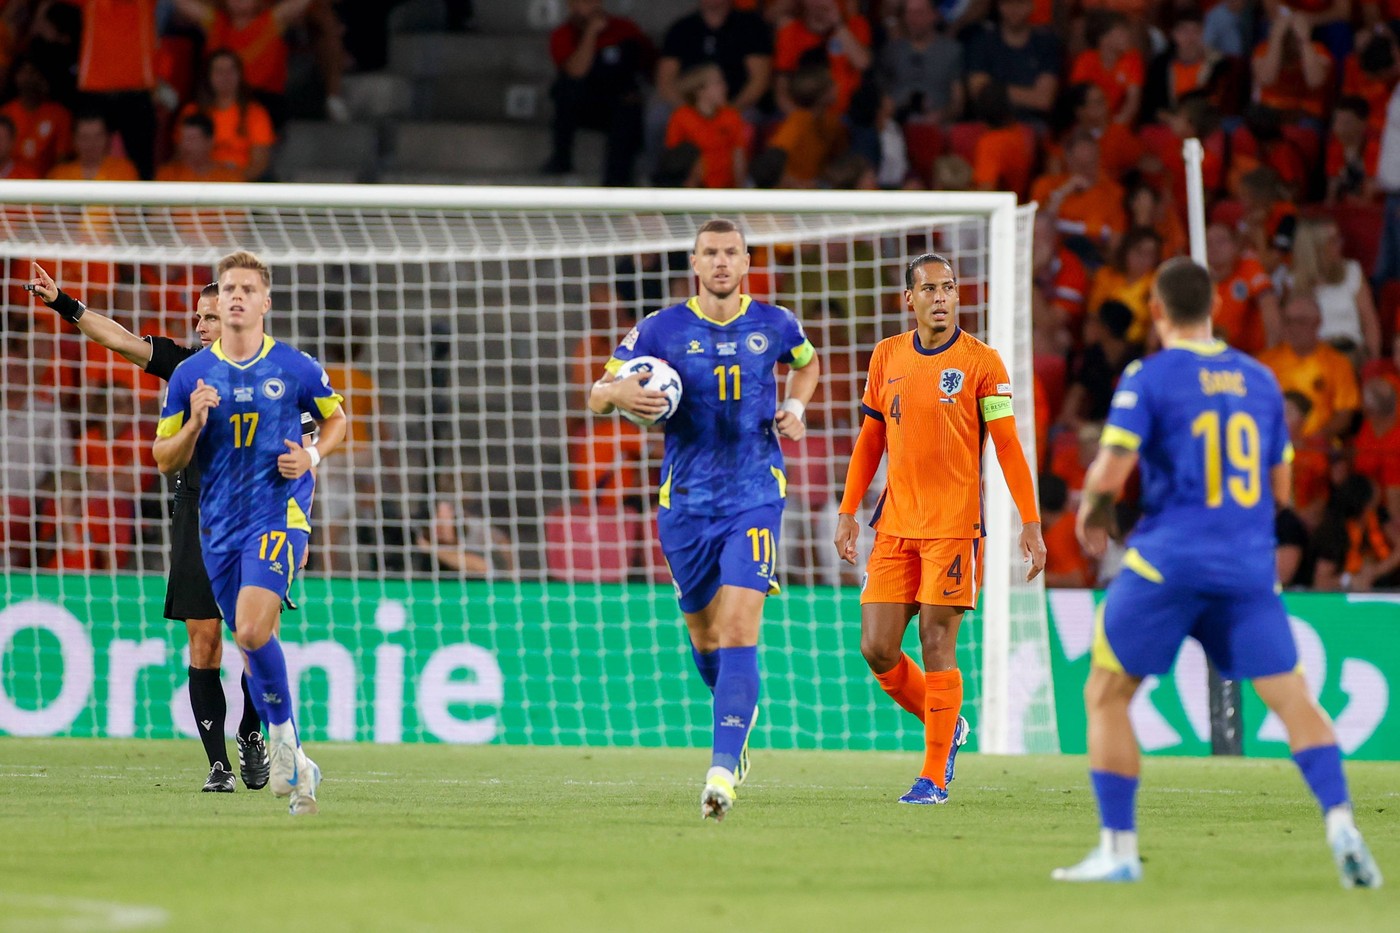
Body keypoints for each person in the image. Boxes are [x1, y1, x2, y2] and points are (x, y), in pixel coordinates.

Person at [1054, 257, 1382, 886]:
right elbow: (1281, 488)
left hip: (1168, 562)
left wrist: (1092, 513)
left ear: (1156, 311)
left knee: (1105, 693)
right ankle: (1341, 822)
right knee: (1291, 697)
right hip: (1246, 567)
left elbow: (1110, 471)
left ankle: (1118, 852)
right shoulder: (1260, 380)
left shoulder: (1147, 376)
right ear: (1214, 309)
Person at [588, 218, 820, 820]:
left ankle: (722, 770)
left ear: (747, 262)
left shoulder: (776, 322)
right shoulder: (660, 329)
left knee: (741, 628)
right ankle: (735, 721)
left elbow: (808, 363)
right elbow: (596, 392)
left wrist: (794, 405)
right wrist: (618, 395)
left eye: (732, 253)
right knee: (706, 636)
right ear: (694, 262)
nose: (721, 262)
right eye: (710, 253)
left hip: (755, 495)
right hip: (685, 502)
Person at [28, 265, 268, 792]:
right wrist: (64, 303)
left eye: (211, 317)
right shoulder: (185, 368)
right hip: (197, 515)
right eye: (198, 318)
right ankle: (218, 766)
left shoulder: (270, 373)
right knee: (203, 643)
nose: (202, 326)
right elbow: (120, 340)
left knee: (253, 639)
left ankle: (252, 733)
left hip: (254, 520)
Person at [833, 252, 1045, 805]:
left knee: (935, 642)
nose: (942, 297)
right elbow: (870, 441)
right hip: (896, 523)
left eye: (949, 287)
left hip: (952, 527)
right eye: (929, 289)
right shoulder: (887, 357)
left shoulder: (983, 363)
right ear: (910, 300)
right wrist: (848, 509)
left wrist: (1031, 520)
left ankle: (932, 777)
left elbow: (1007, 446)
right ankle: (947, 723)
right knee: (877, 648)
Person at [153, 250, 347, 816]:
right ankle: (295, 754)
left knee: (254, 630)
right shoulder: (191, 375)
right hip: (215, 527)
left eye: (246, 289)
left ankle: (283, 746)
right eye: (229, 288)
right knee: (244, 638)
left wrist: (310, 455)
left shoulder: (295, 367)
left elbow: (339, 418)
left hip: (275, 517)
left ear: (265, 302)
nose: (236, 296)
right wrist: (193, 423)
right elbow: (163, 457)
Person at [544, 0, 653, 186]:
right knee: (565, 91)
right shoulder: (563, 34)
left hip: (620, 103)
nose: (589, 6)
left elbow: (650, 65)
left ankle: (616, 184)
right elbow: (576, 72)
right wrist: (591, 33)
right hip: (585, 106)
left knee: (628, 109)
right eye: (582, 2)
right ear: (570, 6)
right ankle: (561, 160)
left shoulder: (625, 29)